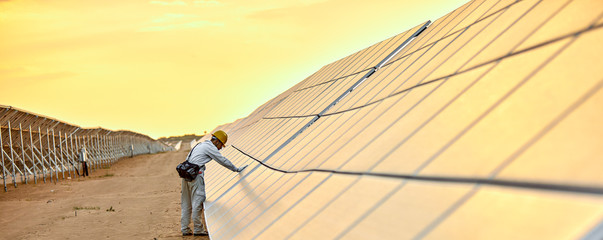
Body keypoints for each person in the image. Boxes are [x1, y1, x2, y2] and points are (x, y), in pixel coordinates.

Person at [181, 130, 248, 236]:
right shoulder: (210, 147)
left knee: (186, 202)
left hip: (185, 174)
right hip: (195, 175)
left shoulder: (200, 145)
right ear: (217, 141)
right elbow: (222, 160)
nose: (221, 148)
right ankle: (198, 229)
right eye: (221, 145)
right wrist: (236, 169)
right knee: (198, 201)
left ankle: (185, 228)